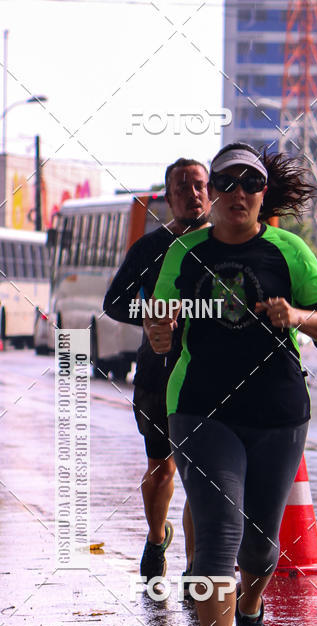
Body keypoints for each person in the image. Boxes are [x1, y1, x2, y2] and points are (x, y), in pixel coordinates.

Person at [148, 142, 317, 626]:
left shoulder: (289, 251)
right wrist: (160, 332)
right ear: (211, 192)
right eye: (226, 183)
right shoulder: (183, 254)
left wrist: (298, 316)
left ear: (263, 196)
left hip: (278, 413)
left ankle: (252, 606)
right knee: (217, 539)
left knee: (261, 548)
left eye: (249, 184)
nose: (238, 193)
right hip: (200, 410)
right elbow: (160, 327)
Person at [103, 158, 212, 581]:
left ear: (211, 191)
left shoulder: (223, 246)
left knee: (201, 474)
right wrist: (149, 314)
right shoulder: (149, 248)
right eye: (182, 187)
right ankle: (155, 537)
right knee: (161, 467)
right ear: (168, 198)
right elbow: (114, 303)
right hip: (156, 373)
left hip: (208, 375)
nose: (192, 193)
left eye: (199, 185)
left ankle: (194, 567)